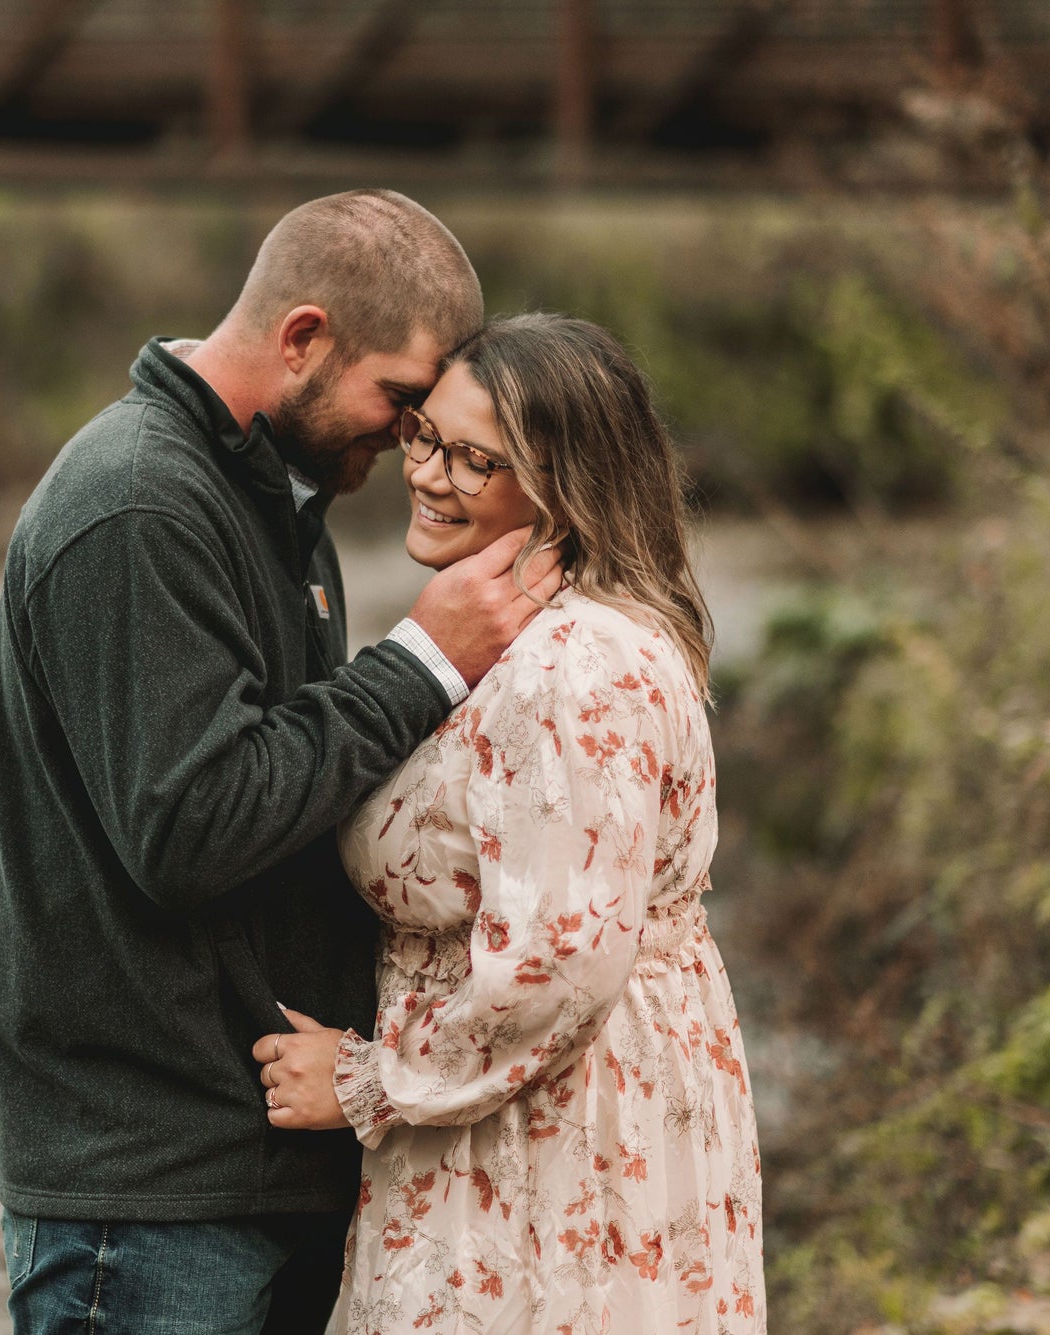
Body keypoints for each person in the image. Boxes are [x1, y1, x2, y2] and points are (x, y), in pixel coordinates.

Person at [0, 191, 565, 1332]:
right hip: (149, 1195)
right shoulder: (137, 505)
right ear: (302, 338)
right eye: (399, 399)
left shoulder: (268, 501)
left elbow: (295, 788)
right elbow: (191, 826)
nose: (407, 441)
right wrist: (419, 661)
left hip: (256, 1162)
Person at [256, 313, 767, 1333]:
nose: (429, 474)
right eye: (422, 437)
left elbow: (560, 960)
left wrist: (365, 1083)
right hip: (531, 1105)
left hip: (551, 1127)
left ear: (561, 486)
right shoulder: (530, 635)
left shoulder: (573, 667)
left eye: (473, 459)